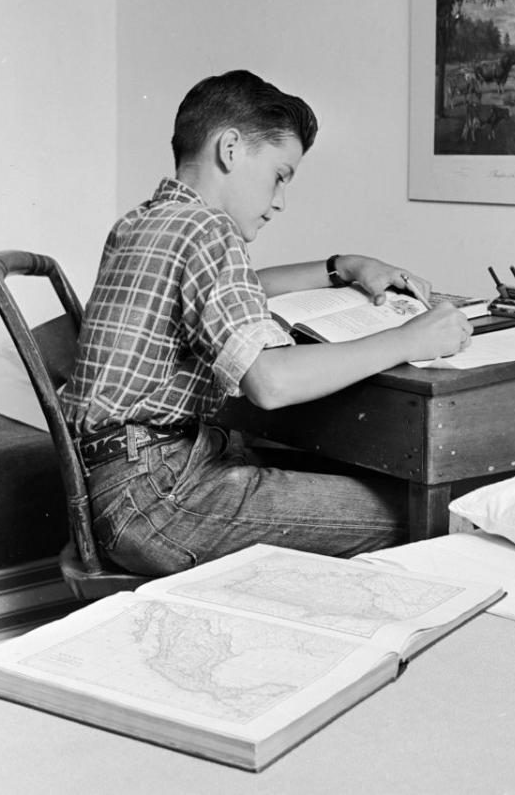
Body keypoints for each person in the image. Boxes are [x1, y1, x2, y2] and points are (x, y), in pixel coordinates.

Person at [62, 70, 472, 575]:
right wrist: (409, 337)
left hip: (120, 486)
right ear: (230, 149)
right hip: (162, 500)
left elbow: (241, 285)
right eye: (280, 175)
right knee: (419, 512)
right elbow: (270, 383)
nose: (280, 201)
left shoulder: (145, 221)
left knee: (344, 479)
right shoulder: (207, 229)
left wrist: (339, 266)